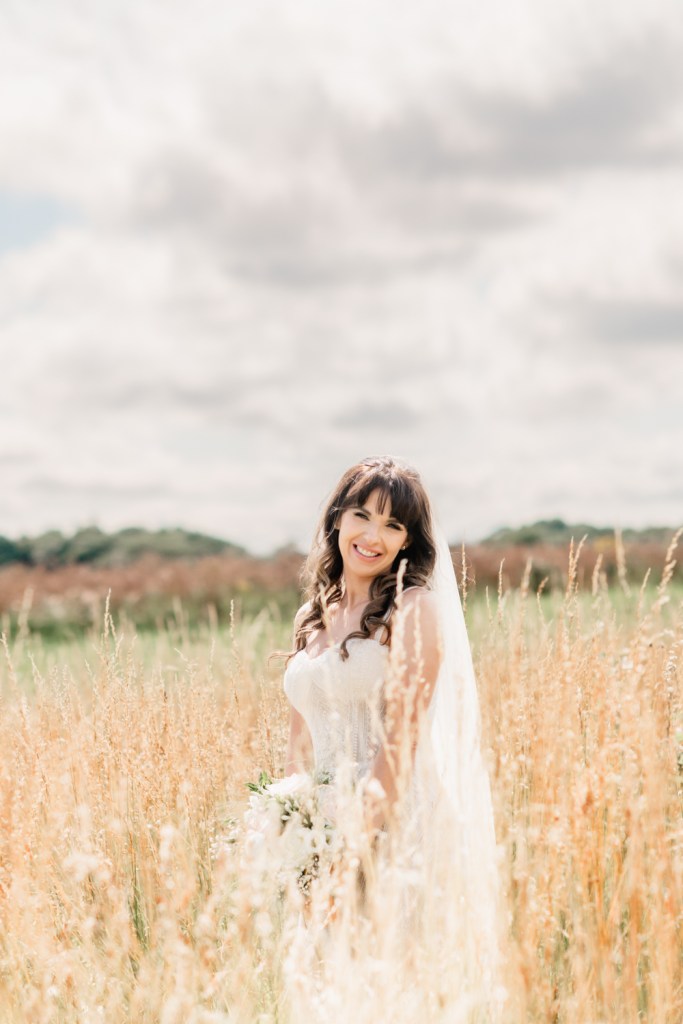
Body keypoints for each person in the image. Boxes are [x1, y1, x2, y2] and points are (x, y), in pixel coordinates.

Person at [282, 456, 504, 1013]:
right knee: (323, 989)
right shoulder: (314, 614)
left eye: (393, 524)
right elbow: (299, 745)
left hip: (397, 825)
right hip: (322, 830)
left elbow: (402, 742)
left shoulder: (413, 610)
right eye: (362, 515)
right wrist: (295, 834)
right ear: (337, 519)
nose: (373, 536)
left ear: (408, 541)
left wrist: (349, 849)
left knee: (391, 992)